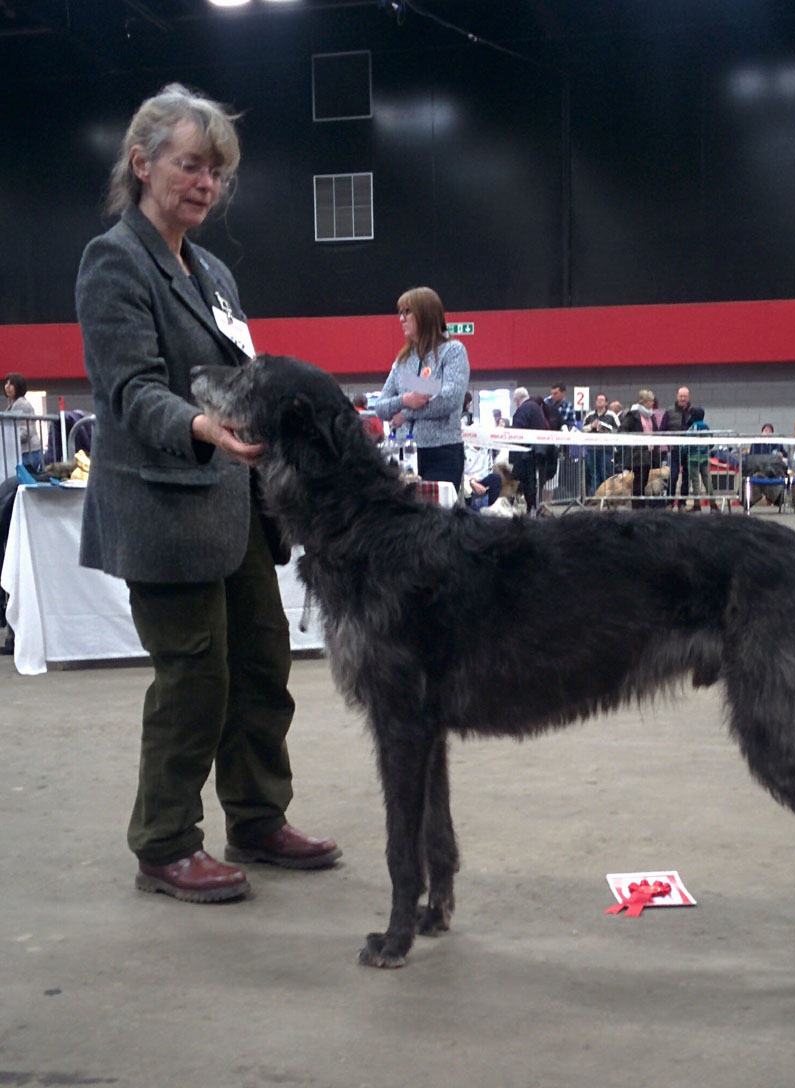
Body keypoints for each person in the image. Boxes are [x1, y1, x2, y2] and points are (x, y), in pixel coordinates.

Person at [74, 84, 340, 905]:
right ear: (142, 161)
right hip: (165, 510)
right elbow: (128, 391)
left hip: (238, 509)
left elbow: (242, 374)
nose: (206, 183)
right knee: (194, 679)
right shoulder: (114, 260)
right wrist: (201, 426)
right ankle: (164, 843)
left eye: (216, 171)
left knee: (262, 666)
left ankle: (257, 818)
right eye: (191, 164)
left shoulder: (213, 269)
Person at [375, 286, 470, 494]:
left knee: (438, 521)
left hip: (442, 454)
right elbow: (381, 407)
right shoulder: (402, 360)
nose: (401, 319)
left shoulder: (453, 351)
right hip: (404, 457)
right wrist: (406, 400)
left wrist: (405, 414)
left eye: (407, 312)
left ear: (425, 314)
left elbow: (450, 399)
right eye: (400, 313)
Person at [618, 389, 661, 510]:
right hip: (637, 454)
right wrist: (631, 441)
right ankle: (636, 507)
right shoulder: (633, 415)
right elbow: (622, 430)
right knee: (638, 481)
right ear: (644, 402)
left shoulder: (651, 416)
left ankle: (641, 505)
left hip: (648, 453)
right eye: (650, 401)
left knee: (644, 480)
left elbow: (655, 432)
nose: (652, 403)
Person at [509, 386, 547, 513]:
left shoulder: (523, 409)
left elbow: (518, 430)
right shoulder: (536, 407)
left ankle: (529, 508)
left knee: (525, 482)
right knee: (532, 481)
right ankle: (533, 507)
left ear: (518, 399)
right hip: (537, 451)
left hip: (525, 453)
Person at [660, 385, 699, 509]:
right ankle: (670, 502)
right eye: (681, 396)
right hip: (674, 450)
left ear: (689, 397)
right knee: (673, 476)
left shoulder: (694, 412)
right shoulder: (669, 411)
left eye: (685, 396)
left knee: (687, 478)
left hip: (689, 451)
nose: (683, 398)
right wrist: (668, 446)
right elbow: (662, 430)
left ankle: (682, 503)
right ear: (677, 396)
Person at [4, 372, 44, 471]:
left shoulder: (20, 404)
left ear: (19, 387)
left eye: (11, 384)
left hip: (28, 452)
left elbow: (25, 431)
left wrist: (7, 440)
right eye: (6, 384)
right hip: (27, 452)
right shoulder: (14, 404)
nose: (7, 387)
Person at [582, 393, 618, 496]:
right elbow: (583, 429)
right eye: (598, 400)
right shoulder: (590, 415)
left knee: (606, 473)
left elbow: (618, 429)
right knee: (594, 474)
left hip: (606, 449)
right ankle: (595, 497)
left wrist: (604, 428)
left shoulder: (612, 415)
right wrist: (591, 426)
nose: (599, 402)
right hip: (592, 449)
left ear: (606, 402)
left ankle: (607, 496)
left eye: (602, 400)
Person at [684, 407, 719, 511]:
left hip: (693, 458)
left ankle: (697, 505)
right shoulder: (706, 427)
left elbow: (687, 443)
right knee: (707, 480)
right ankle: (713, 505)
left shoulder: (692, 428)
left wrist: (682, 448)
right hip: (704, 458)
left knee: (695, 482)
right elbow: (711, 443)